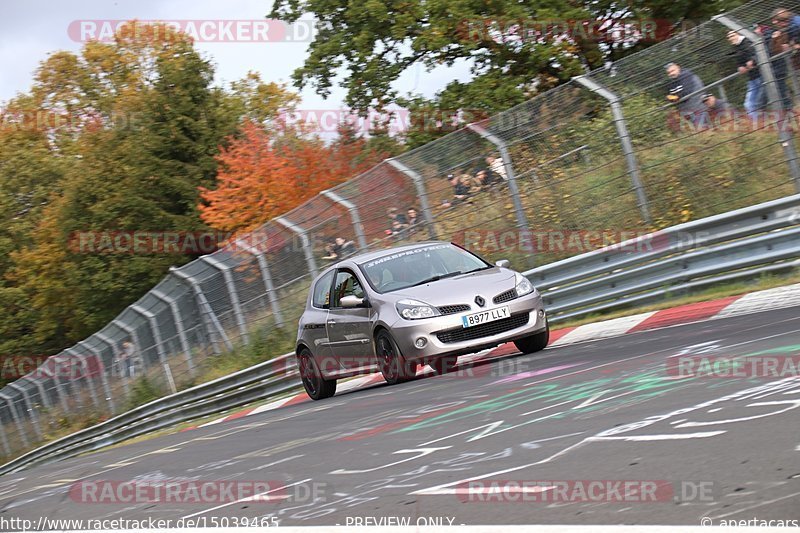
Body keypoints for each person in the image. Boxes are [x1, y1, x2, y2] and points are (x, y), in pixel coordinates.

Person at [727, 31, 765, 121]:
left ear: (738, 34)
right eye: (729, 37)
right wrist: (740, 67)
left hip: (763, 75)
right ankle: (756, 122)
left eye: (732, 35)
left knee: (760, 100)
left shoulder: (748, 41)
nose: (731, 38)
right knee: (749, 103)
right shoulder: (736, 47)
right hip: (752, 77)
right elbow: (739, 61)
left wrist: (753, 61)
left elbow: (759, 52)